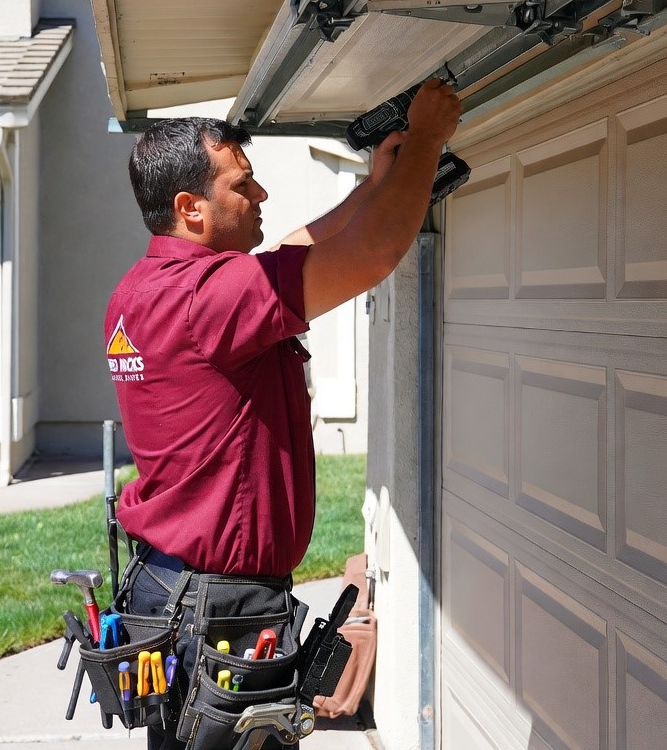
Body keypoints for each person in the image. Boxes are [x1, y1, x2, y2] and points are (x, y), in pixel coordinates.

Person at [104, 78, 462, 749]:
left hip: (171, 588)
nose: (261, 194)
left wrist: (371, 188)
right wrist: (428, 142)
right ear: (191, 208)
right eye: (242, 186)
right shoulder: (210, 297)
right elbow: (374, 254)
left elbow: (286, 255)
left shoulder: (143, 289)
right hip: (220, 608)